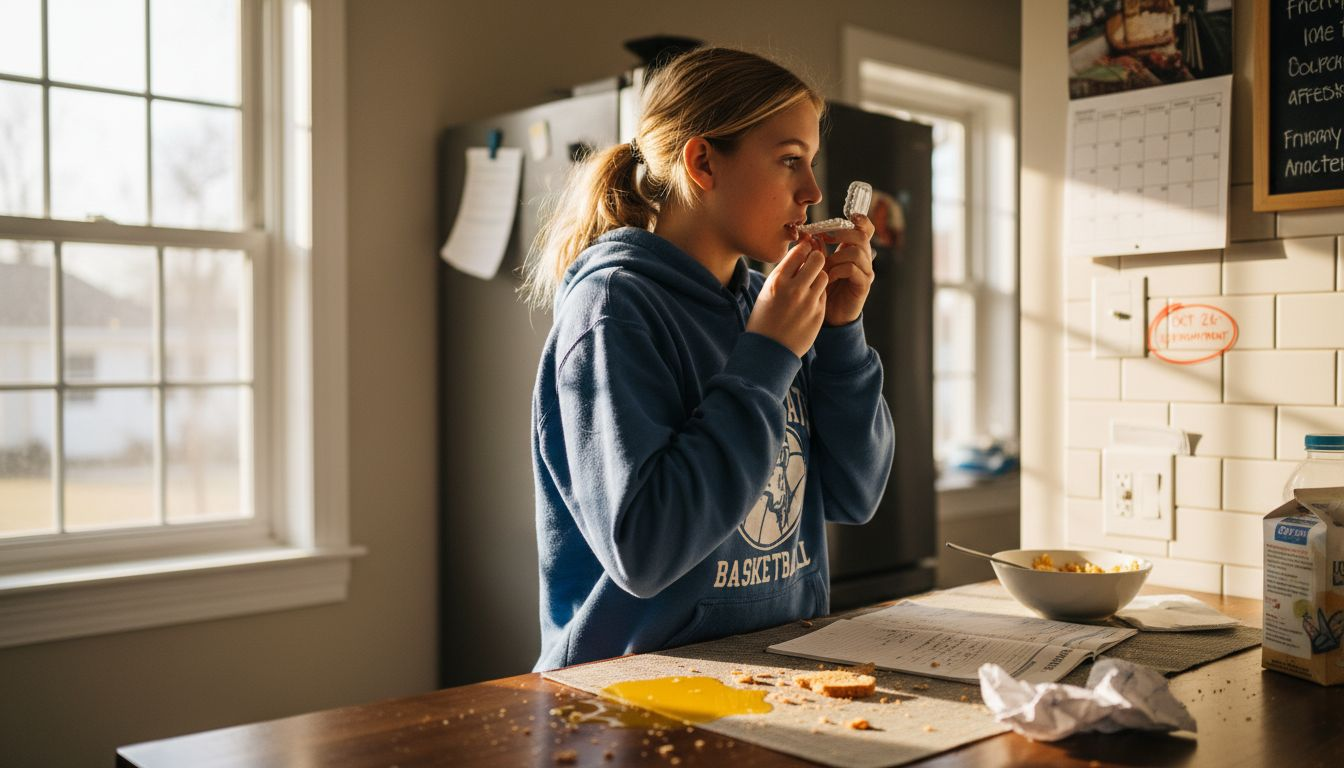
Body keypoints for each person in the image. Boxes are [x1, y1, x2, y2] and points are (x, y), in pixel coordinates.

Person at [522, 47, 895, 671]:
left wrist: (840, 332)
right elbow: (644, 551)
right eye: (789, 161)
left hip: (772, 673)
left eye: (811, 161)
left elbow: (858, 495)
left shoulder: (767, 303)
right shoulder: (613, 308)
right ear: (702, 162)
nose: (812, 189)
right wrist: (766, 360)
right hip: (629, 696)